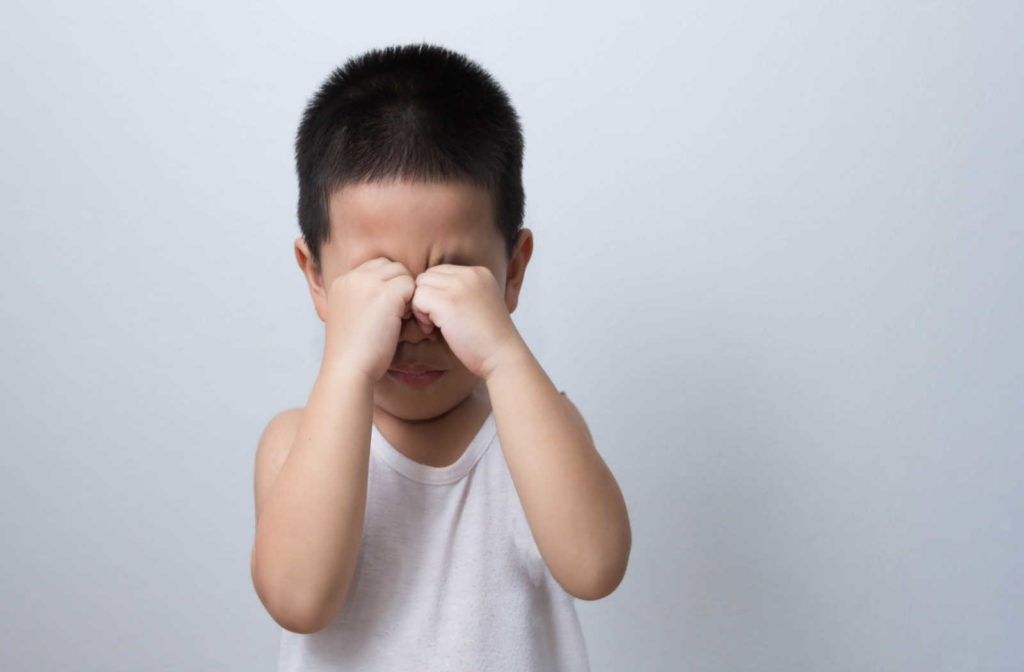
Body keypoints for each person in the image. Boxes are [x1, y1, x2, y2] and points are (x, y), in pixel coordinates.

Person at [250, 42, 631, 671]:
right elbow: (299, 598)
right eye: (378, 277)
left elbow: (595, 569)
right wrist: (346, 365)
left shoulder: (534, 433)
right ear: (316, 277)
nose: (417, 320)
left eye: (451, 277)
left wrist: (505, 356)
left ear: (512, 271)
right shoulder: (293, 443)